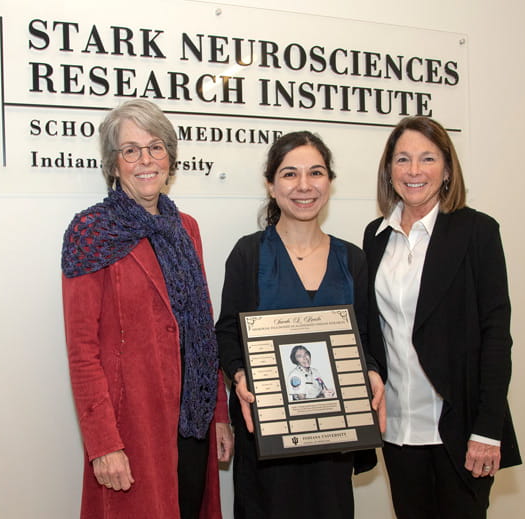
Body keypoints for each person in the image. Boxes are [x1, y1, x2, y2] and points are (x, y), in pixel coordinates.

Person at [60, 99, 233, 519]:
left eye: (156, 147)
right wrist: (103, 444)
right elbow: (82, 351)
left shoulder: (185, 227)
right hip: (132, 429)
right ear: (114, 164)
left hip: (192, 425)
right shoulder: (91, 233)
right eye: (131, 150)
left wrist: (219, 413)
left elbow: (201, 333)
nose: (145, 160)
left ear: (170, 159)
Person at [215, 131, 385, 519]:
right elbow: (226, 334)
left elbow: (368, 341)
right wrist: (240, 376)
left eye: (316, 173)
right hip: (266, 440)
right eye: (290, 174)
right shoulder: (248, 253)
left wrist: (372, 373)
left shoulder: (353, 259)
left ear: (329, 182)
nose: (304, 185)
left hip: (334, 443)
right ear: (271, 186)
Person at [363, 116, 521, 518]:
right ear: (389, 170)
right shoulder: (374, 236)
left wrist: (488, 428)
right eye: (402, 159)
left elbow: (496, 336)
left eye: (428, 158)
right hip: (397, 426)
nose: (414, 171)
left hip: (460, 426)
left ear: (447, 170)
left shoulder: (477, 232)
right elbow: (375, 330)